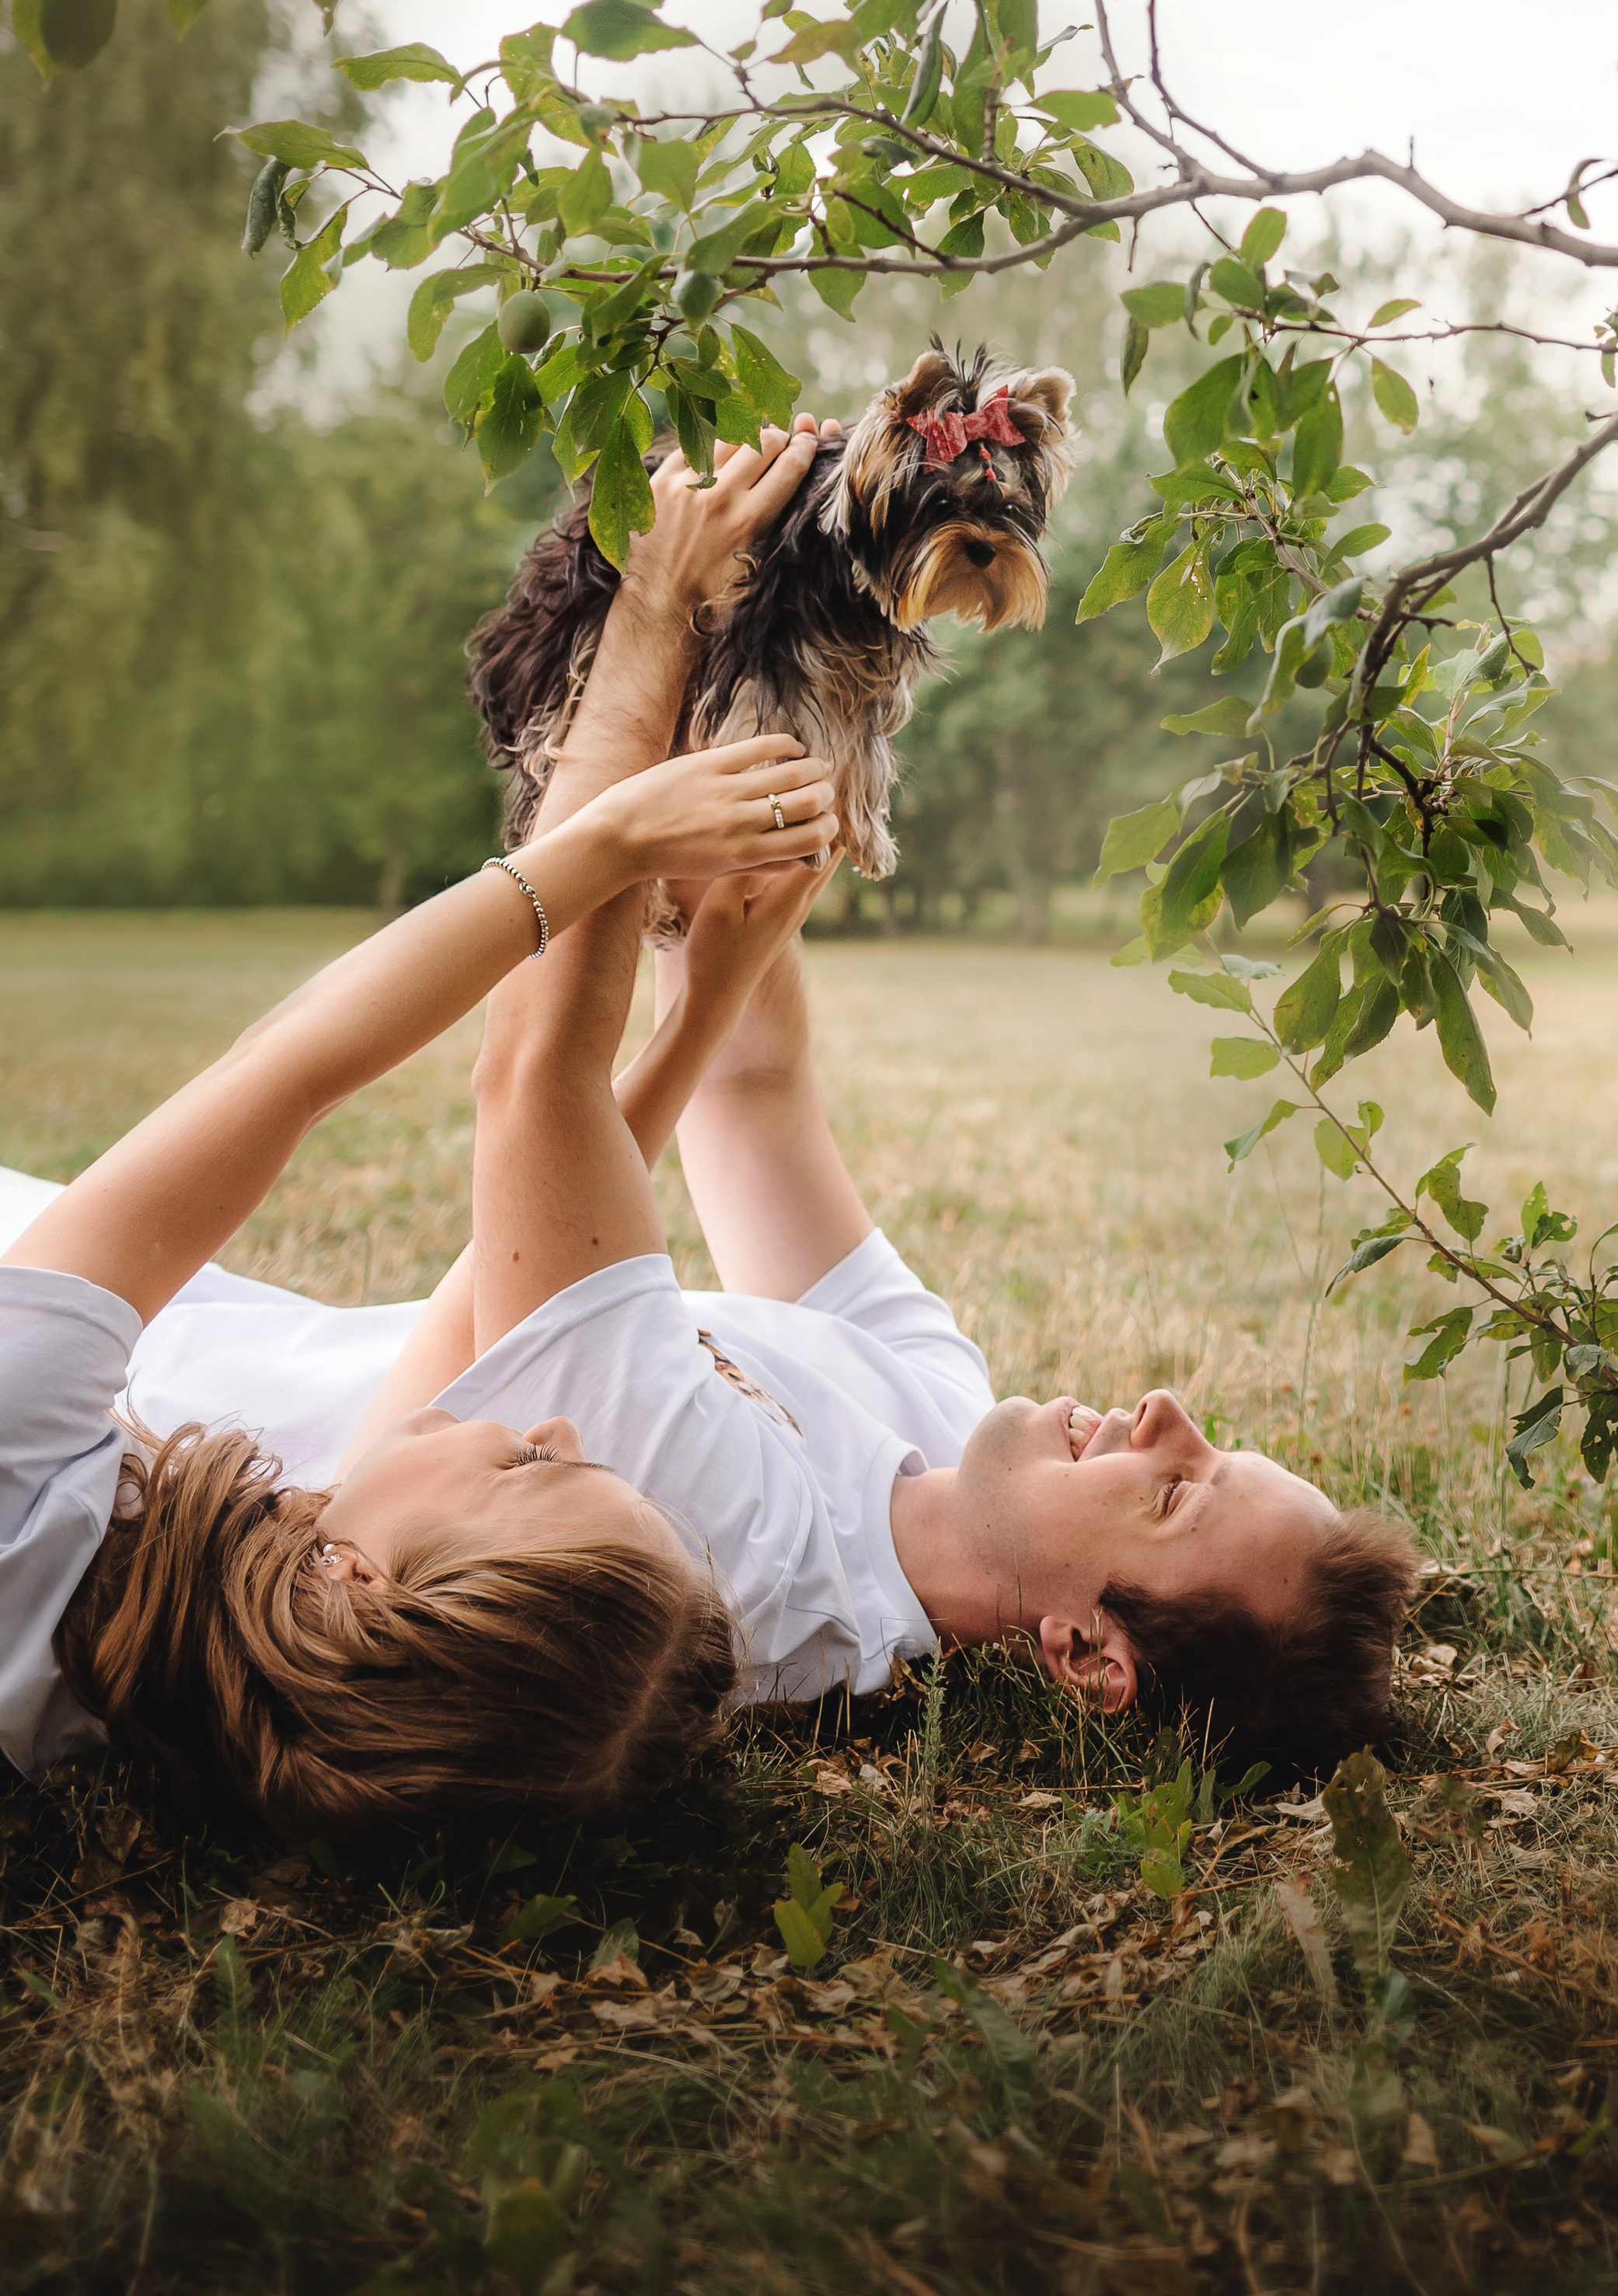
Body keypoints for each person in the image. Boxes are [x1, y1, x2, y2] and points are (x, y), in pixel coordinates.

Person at [5, 412, 1418, 1806]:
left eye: (1179, 1495)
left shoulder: (738, 1556)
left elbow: (530, 1080)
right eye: (1216, 1445)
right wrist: (801, 676)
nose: (1171, 1416)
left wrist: (655, 625)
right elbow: (753, 1083)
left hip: (83, 1357)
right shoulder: (941, 1410)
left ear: (1084, 1651)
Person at [0, 424, 846, 1835]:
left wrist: (602, 831)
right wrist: (696, 1022)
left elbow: (296, 1067)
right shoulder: (175, 1681)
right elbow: (505, 1288)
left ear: (364, 1583)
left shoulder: (17, 1461)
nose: (562, 1418)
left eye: (532, 1465)